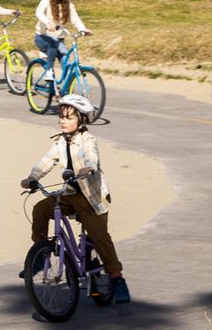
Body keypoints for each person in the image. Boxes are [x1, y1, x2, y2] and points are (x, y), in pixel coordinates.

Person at [18, 93, 129, 303]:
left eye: (69, 117)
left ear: (81, 120)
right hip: (69, 195)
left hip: (91, 198)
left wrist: (89, 168)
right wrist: (32, 177)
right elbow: (47, 161)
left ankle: (117, 278)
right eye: (61, 116)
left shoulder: (87, 140)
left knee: (100, 237)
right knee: (40, 209)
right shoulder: (59, 141)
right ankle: (41, 255)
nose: (63, 121)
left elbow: (91, 156)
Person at [32, 0, 91, 70]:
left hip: (59, 39)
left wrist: (82, 29)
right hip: (42, 37)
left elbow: (75, 18)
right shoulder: (46, 0)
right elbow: (39, 13)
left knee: (66, 61)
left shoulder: (68, 4)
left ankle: (67, 82)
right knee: (52, 45)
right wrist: (47, 24)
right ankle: (49, 71)